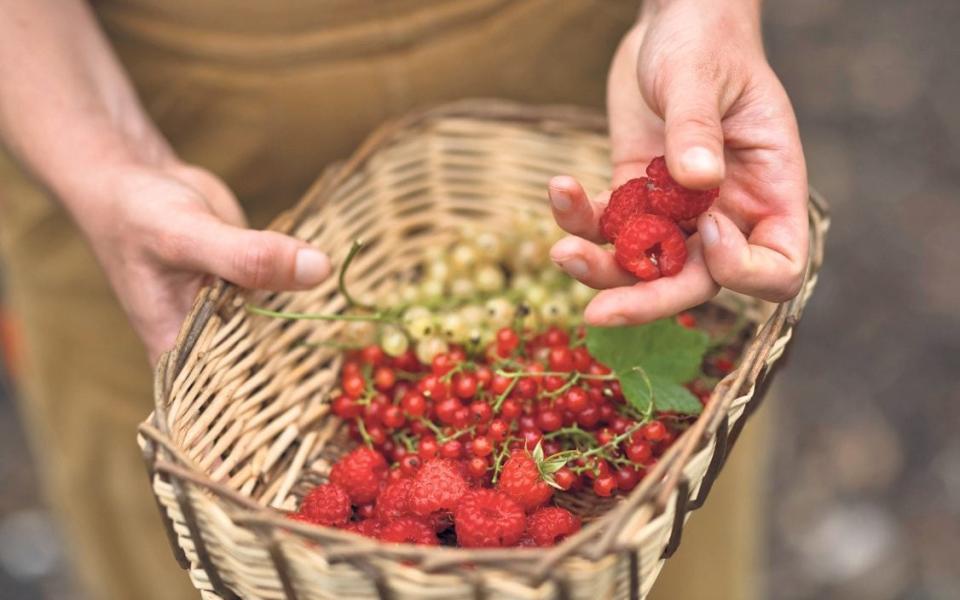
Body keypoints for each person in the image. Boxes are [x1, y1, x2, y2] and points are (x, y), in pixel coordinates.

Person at [0, 1, 807, 599]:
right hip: (127, 105)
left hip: (574, 62)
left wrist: (703, 13)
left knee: (661, 469)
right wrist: (105, 159)